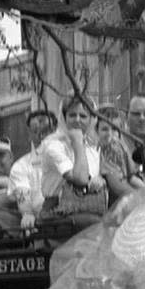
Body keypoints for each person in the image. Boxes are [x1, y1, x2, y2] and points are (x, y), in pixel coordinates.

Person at [38, 96, 108, 230]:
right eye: (72, 115)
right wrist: (77, 143)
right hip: (57, 213)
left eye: (83, 116)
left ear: (91, 120)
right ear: (64, 118)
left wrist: (99, 181)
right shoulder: (53, 146)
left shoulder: (92, 149)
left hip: (89, 209)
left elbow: (95, 179)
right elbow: (81, 179)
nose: (77, 120)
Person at [10, 108, 55, 229]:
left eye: (46, 131)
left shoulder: (70, 157)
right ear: (29, 134)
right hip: (41, 225)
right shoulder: (21, 166)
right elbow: (22, 193)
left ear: (56, 131)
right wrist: (27, 213)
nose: (42, 136)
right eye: (36, 131)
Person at [96, 104, 144, 204]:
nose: (110, 134)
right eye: (105, 129)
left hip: (125, 196)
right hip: (112, 203)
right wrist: (138, 199)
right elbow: (116, 185)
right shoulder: (105, 151)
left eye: (114, 129)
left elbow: (130, 177)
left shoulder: (121, 147)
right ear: (96, 130)